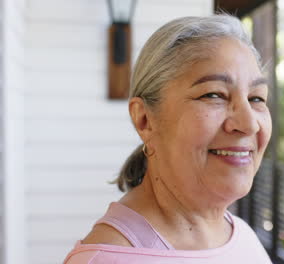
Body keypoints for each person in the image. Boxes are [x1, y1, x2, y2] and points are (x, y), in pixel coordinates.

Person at [63, 14, 272, 264]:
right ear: (145, 120)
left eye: (256, 98)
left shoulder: (242, 235)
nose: (248, 124)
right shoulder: (107, 259)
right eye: (214, 94)